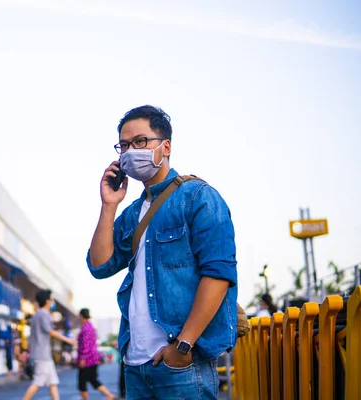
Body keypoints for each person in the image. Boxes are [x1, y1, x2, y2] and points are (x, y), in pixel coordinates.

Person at [88, 105, 238, 399]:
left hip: (181, 364)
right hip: (135, 363)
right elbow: (99, 265)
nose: (131, 151)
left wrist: (183, 346)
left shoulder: (198, 197)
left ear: (165, 146)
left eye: (141, 141)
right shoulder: (132, 214)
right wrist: (109, 205)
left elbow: (218, 275)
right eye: (125, 145)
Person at [22, 289, 75, 400]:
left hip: (42, 354)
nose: (52, 302)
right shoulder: (44, 314)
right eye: (51, 299)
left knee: (52, 383)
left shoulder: (36, 315)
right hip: (42, 355)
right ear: (47, 301)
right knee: (38, 382)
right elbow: (50, 331)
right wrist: (68, 340)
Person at [77, 308, 116, 400]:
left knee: (82, 382)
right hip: (93, 358)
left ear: (81, 315)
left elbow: (86, 344)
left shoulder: (86, 327)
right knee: (93, 379)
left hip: (87, 359)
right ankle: (110, 396)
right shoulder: (91, 326)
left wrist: (82, 358)